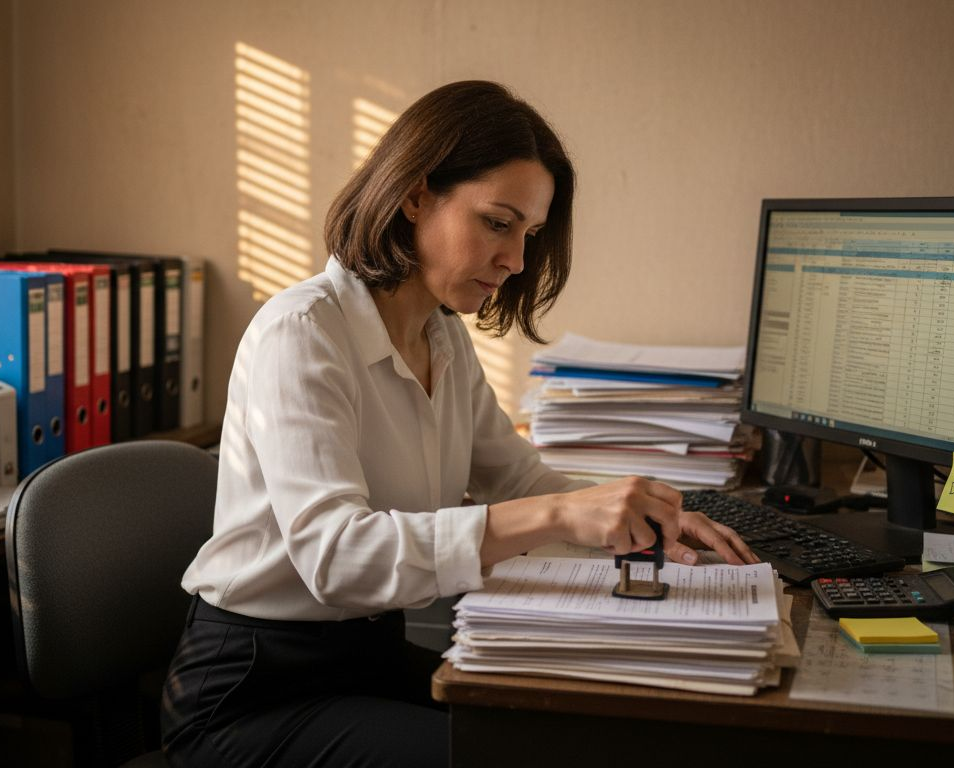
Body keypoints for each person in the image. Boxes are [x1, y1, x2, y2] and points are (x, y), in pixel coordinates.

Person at [160, 80, 758, 768]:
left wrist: (643, 515)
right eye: (498, 223)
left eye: (529, 235)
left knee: (574, 731)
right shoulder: (302, 332)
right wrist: (563, 513)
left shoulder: (443, 338)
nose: (517, 261)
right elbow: (336, 557)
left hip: (363, 660)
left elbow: (519, 478)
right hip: (251, 692)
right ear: (416, 194)